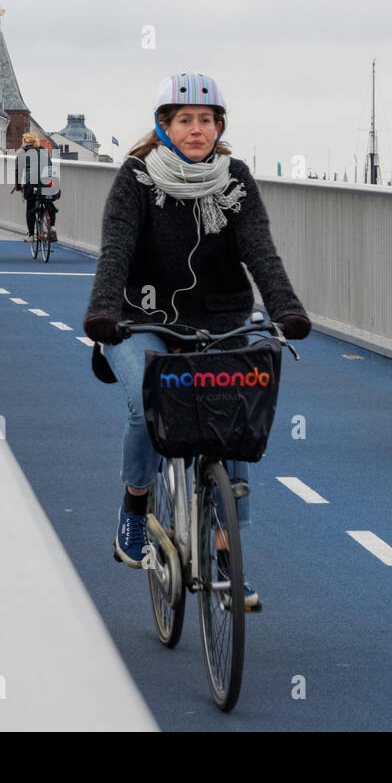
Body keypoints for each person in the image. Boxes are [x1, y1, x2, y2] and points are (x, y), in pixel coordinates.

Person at [82, 72, 310, 610]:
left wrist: (285, 307)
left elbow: (260, 249)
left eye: (206, 120)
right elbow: (116, 247)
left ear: (219, 127)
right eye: (184, 120)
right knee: (145, 404)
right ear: (164, 127)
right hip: (141, 318)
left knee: (233, 418)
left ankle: (229, 561)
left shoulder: (236, 180)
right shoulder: (137, 178)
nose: (196, 129)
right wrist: (102, 313)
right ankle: (136, 509)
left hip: (220, 318)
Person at [11, 132, 58, 242]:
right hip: (49, 182)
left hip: (32, 184)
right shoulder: (44, 151)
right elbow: (50, 166)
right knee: (49, 203)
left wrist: (18, 186)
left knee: (30, 206)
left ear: (25, 142)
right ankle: (52, 227)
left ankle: (31, 235)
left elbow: (18, 171)